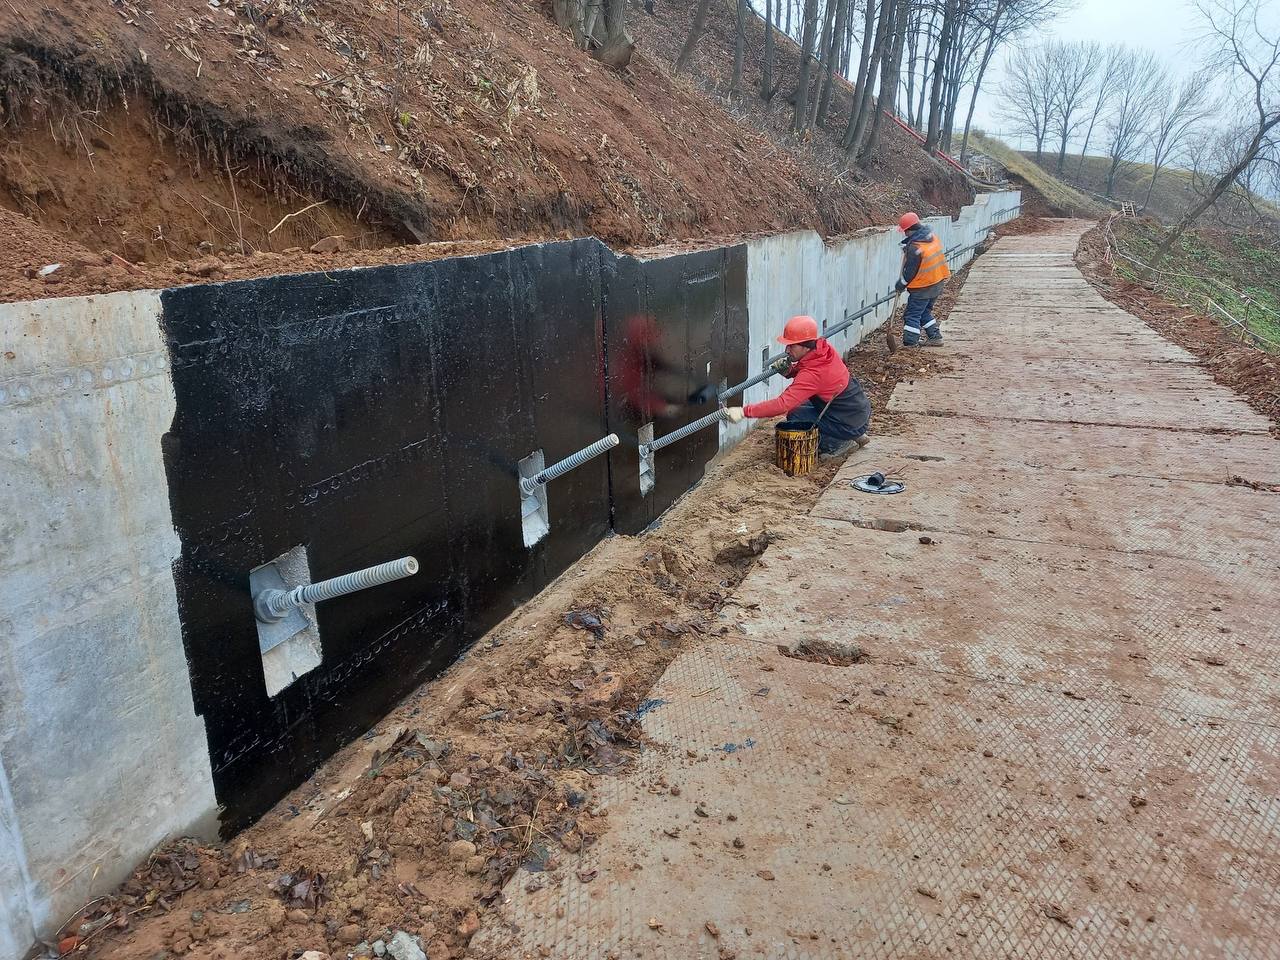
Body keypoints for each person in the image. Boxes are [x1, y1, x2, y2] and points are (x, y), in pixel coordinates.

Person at [725, 315, 870, 456]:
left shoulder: (813, 375)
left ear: (806, 347)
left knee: (795, 416)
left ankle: (838, 443)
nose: (787, 350)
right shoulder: (823, 349)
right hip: (854, 410)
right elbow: (812, 372)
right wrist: (790, 371)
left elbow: (781, 405)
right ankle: (854, 433)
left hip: (847, 420)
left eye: (792, 345)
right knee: (801, 406)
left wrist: (744, 412)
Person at [895, 212, 950, 347]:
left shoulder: (915, 248)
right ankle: (935, 336)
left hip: (923, 287)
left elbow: (909, 272)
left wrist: (900, 284)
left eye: (905, 231)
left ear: (909, 230)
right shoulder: (931, 238)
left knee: (912, 315)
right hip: (937, 283)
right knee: (924, 311)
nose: (904, 234)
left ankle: (910, 342)